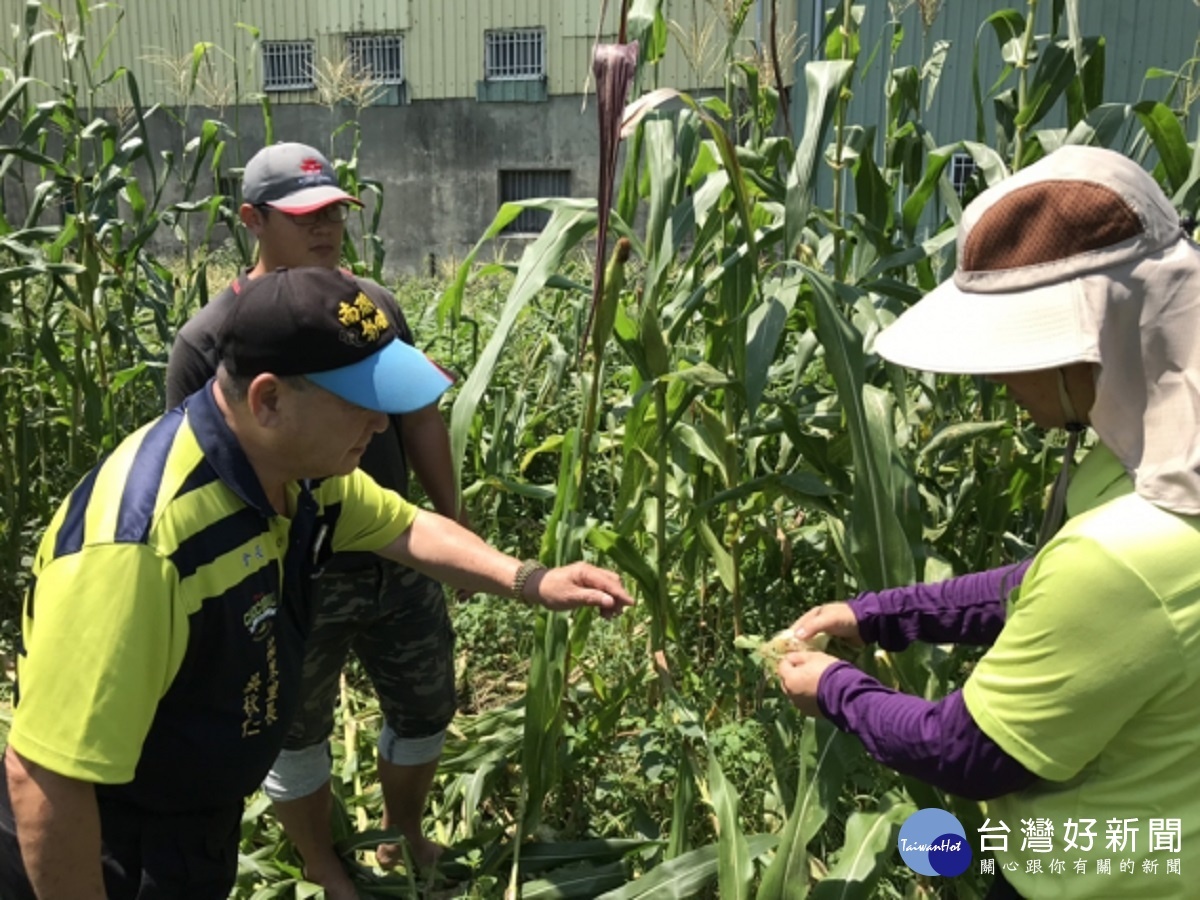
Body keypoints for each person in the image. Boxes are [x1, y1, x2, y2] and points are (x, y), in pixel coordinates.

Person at [0, 266, 634, 900]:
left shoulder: (299, 474)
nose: (383, 425)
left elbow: (405, 527)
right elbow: (45, 780)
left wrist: (532, 580)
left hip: (189, 824)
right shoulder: (140, 549)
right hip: (99, 854)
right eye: (361, 403)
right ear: (269, 400)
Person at [776, 145, 1200, 899]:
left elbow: (968, 751)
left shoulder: (1129, 551)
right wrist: (875, 616)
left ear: (1093, 340)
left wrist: (833, 687)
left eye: (1018, 347)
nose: (1000, 377)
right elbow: (1041, 587)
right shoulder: (1157, 474)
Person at [167, 142, 461, 895]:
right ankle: (322, 860)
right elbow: (192, 472)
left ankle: (403, 833)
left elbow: (419, 417)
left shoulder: (369, 307)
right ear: (251, 221)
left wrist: (453, 520)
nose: (325, 227)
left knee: (426, 704)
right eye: (303, 216)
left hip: (394, 552)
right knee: (293, 729)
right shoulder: (211, 340)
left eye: (334, 210)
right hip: (288, 575)